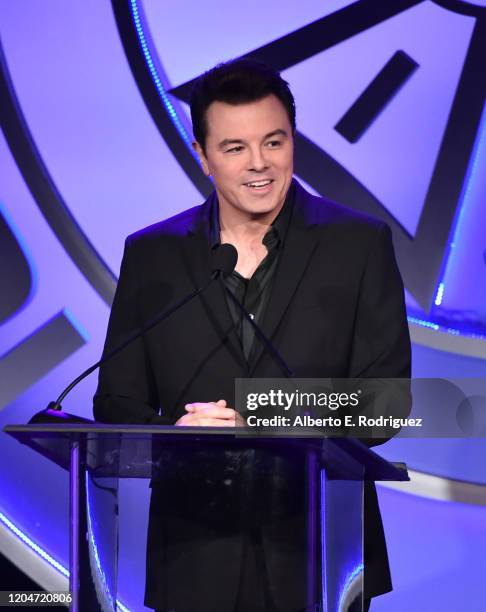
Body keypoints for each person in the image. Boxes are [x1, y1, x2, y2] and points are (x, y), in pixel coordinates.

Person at [94, 59, 411, 612]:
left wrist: (261, 420)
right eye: (235, 148)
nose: (259, 164)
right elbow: (116, 399)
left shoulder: (358, 245)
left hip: (318, 547)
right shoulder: (153, 256)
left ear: (293, 139)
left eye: (274, 142)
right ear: (203, 155)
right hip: (192, 552)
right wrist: (178, 432)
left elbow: (385, 404)